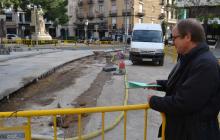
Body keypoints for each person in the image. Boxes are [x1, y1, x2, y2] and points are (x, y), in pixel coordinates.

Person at [147, 19, 220, 140]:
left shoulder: (205, 64)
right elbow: (184, 84)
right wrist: (159, 84)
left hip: (195, 133)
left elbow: (184, 103)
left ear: (187, 37)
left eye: (175, 37)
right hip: (183, 130)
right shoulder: (189, 57)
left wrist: (153, 101)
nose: (172, 42)